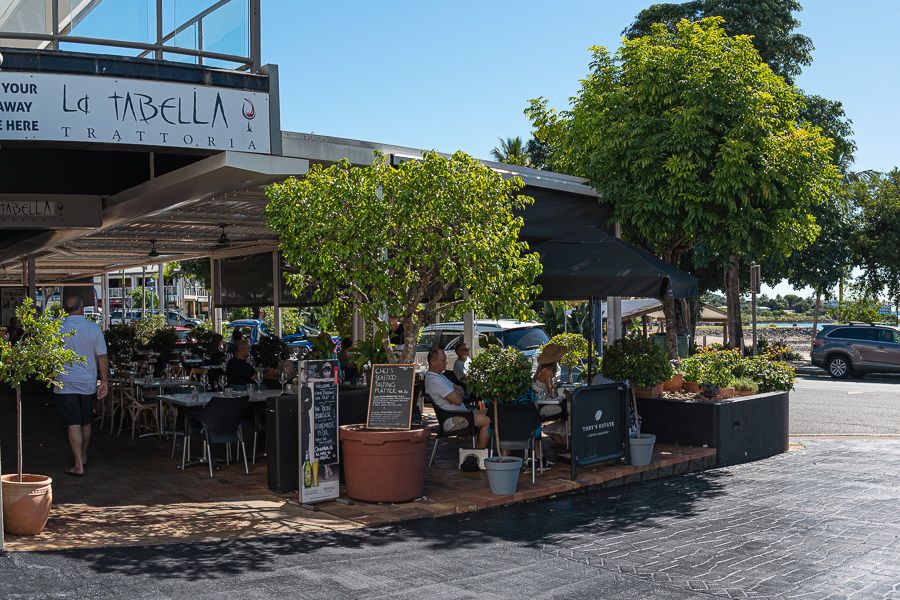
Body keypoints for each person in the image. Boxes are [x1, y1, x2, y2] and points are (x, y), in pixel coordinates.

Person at [55, 296, 108, 477]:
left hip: (65, 381)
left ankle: (78, 464)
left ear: (65, 310)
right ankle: (83, 455)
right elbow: (102, 357)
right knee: (85, 420)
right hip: (87, 382)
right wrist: (105, 381)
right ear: (82, 308)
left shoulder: (57, 328)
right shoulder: (93, 328)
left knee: (73, 422)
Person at [424, 348, 490, 448]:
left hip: (460, 415)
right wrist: (457, 394)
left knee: (492, 413)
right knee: (489, 420)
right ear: (433, 362)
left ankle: (487, 450)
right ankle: (478, 454)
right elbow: (458, 400)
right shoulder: (434, 380)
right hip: (453, 419)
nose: (446, 363)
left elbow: (459, 388)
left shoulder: (440, 376)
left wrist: (456, 393)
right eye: (443, 360)